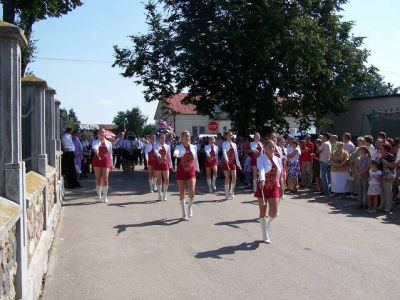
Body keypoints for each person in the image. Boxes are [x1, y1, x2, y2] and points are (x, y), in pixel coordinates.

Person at [254, 140, 282, 244]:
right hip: (263, 186)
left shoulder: (278, 159)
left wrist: (281, 185)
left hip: (273, 186)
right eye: (270, 147)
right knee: (263, 210)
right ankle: (265, 234)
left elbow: (280, 174)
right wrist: (262, 180)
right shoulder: (260, 159)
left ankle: (267, 224)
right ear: (264, 148)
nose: (272, 149)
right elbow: (261, 170)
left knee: (274, 213)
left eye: (273, 147)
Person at [173, 131, 200, 220]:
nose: (188, 137)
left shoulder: (194, 147)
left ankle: (189, 208)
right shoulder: (178, 147)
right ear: (182, 138)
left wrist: (197, 168)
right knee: (181, 192)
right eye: (185, 136)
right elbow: (177, 152)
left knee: (192, 191)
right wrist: (176, 154)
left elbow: (195, 159)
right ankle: (183, 212)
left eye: (188, 136)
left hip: (191, 171)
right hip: (181, 171)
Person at [92, 128, 113, 202]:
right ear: (98, 134)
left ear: (105, 134)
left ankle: (105, 197)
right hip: (97, 161)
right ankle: (99, 196)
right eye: (100, 132)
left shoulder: (109, 143)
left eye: (103, 132)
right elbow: (95, 147)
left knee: (105, 179)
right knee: (98, 179)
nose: (102, 133)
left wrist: (111, 163)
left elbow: (110, 154)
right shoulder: (95, 142)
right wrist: (96, 149)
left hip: (106, 161)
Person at [222, 131, 242, 200]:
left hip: (233, 162)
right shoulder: (224, 143)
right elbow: (224, 151)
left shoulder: (234, 144)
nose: (230, 136)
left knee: (234, 178)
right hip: (226, 162)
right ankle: (227, 193)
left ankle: (232, 191)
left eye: (231, 135)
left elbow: (236, 155)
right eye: (229, 135)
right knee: (227, 178)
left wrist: (238, 164)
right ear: (226, 136)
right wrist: (226, 159)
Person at [376, 144, 396, 212]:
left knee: (388, 192)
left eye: (381, 148)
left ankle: (388, 207)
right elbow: (378, 166)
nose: (379, 149)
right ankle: (382, 205)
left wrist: (385, 162)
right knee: (382, 192)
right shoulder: (379, 156)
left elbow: (393, 166)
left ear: (385, 149)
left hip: (388, 177)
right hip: (381, 176)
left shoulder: (390, 156)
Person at [154, 133, 173, 201]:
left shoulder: (167, 146)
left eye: (164, 137)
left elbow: (169, 156)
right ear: (159, 138)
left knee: (166, 179)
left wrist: (171, 165)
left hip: (165, 163)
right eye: (161, 137)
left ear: (165, 138)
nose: (162, 139)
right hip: (158, 163)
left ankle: (165, 193)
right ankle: (159, 194)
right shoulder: (156, 145)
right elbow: (156, 151)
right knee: (159, 179)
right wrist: (158, 155)